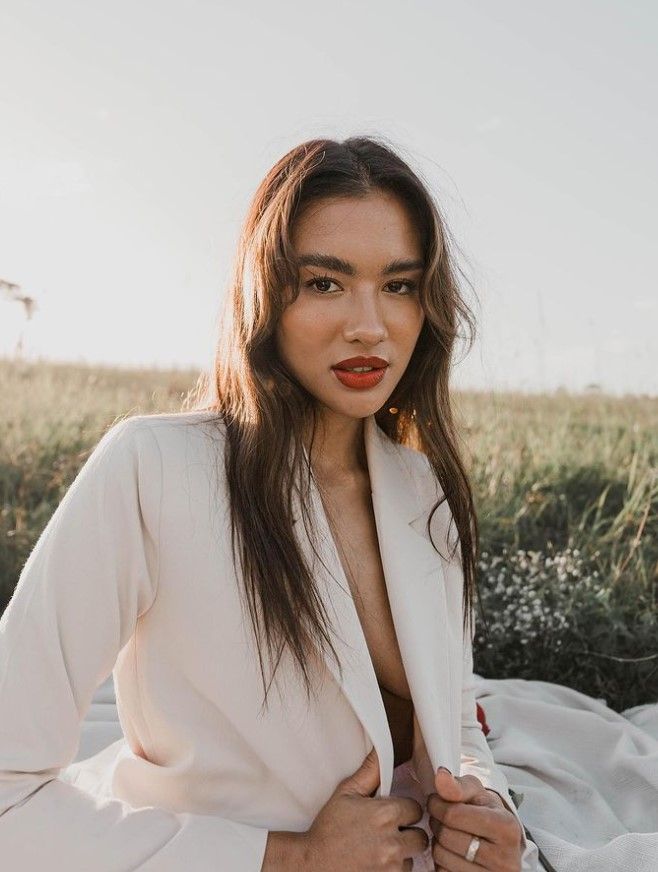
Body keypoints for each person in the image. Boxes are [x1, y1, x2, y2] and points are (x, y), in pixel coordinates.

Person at [0, 136, 540, 870]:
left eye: (399, 285)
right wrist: (287, 858)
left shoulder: (423, 487)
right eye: (325, 282)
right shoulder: (152, 469)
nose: (369, 325)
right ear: (263, 294)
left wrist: (487, 813)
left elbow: (453, 720)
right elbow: (8, 792)